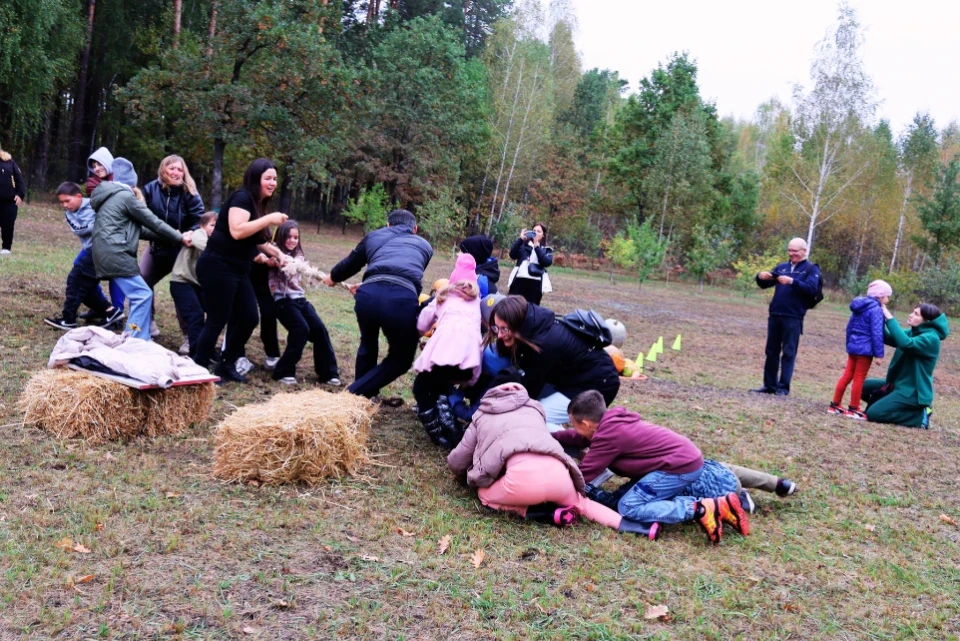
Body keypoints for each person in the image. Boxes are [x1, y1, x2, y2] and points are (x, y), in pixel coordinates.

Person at [447, 380, 658, 538]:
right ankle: (638, 528)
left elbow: (459, 459)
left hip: (520, 480)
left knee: (485, 495)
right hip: (559, 471)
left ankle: (548, 514)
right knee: (582, 504)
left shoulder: (482, 414)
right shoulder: (535, 408)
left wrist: (459, 472)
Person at [553, 390, 750, 544]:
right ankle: (719, 506)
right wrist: (549, 437)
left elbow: (584, 473)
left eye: (573, 424)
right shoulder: (610, 423)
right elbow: (578, 438)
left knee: (628, 507)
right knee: (624, 499)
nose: (573, 428)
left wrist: (556, 489)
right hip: (683, 460)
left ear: (586, 423)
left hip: (677, 468)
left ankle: (701, 508)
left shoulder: (609, 436)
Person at [193, 158, 288, 381]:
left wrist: (278, 254)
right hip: (218, 265)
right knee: (217, 320)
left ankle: (226, 364)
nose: (273, 183)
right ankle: (197, 369)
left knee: (248, 318)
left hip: (237, 268)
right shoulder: (242, 198)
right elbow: (237, 231)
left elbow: (255, 238)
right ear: (256, 179)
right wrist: (269, 219)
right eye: (268, 178)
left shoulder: (256, 203)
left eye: (275, 178)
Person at [324, 209, 433, 399]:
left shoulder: (374, 236)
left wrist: (333, 277)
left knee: (368, 343)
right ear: (414, 229)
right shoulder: (425, 245)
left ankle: (360, 396)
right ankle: (355, 394)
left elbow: (352, 263)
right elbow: (407, 274)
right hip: (400, 299)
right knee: (401, 358)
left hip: (367, 297)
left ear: (388, 226)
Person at [89, 158, 191, 341]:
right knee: (142, 295)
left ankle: (142, 338)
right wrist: (180, 237)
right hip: (117, 253)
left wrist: (171, 235)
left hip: (106, 252)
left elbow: (140, 230)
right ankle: (133, 337)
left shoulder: (111, 196)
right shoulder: (126, 197)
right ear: (131, 181)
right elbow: (153, 222)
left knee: (141, 293)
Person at [488, 295, 620, 423]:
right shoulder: (535, 323)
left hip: (597, 384)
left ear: (518, 324)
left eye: (504, 329)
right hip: (572, 378)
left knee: (534, 417)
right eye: (496, 328)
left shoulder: (545, 343)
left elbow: (528, 391)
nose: (499, 335)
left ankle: (563, 445)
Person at [413, 253, 483, 448]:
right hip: (468, 359)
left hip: (444, 352)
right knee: (440, 386)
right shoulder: (477, 301)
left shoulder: (443, 296)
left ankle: (438, 435)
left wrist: (419, 333)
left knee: (420, 389)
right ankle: (453, 430)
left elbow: (423, 321)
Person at [140, 155, 206, 342]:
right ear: (163, 170)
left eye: (179, 169)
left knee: (181, 289)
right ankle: (147, 323)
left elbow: (198, 221)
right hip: (157, 246)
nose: (176, 172)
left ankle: (188, 336)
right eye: (172, 169)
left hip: (182, 250)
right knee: (142, 279)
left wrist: (187, 234)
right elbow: (143, 215)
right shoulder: (150, 189)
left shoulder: (190, 193)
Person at [267, 220, 340, 386]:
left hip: (299, 299)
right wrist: (276, 261)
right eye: (288, 237)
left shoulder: (298, 257)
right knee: (301, 329)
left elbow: (299, 266)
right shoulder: (274, 253)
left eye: (296, 237)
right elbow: (270, 260)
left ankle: (328, 373)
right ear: (280, 237)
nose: (292, 240)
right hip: (283, 301)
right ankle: (283, 371)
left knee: (320, 330)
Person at [43, 182, 124, 330]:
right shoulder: (69, 214)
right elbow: (80, 230)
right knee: (85, 287)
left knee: (75, 280)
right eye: (62, 202)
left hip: (104, 249)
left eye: (67, 201)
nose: (65, 205)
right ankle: (110, 311)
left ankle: (68, 319)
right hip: (91, 250)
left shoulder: (96, 205)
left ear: (79, 196)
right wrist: (99, 224)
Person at [861, 303, 949, 429]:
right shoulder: (914, 332)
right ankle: (886, 404)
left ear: (927, 321)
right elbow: (888, 337)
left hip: (913, 391)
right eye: (912, 312)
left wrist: (890, 318)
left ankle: (919, 417)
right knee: (862, 386)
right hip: (898, 384)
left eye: (916, 314)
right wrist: (877, 317)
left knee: (874, 414)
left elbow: (905, 344)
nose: (911, 315)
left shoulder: (931, 338)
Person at [752, 237, 821, 396]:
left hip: (793, 316)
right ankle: (769, 385)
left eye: (794, 251)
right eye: (789, 250)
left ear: (804, 251)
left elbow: (811, 289)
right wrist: (760, 277)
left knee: (789, 353)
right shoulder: (782, 267)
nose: (791, 254)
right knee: (771, 351)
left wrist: (792, 281)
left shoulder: (811, 269)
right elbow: (765, 284)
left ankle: (783, 388)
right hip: (775, 314)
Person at [828, 280, 892, 420]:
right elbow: (877, 333)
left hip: (853, 347)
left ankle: (835, 404)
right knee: (859, 378)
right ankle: (854, 408)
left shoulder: (859, 307)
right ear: (880, 296)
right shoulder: (876, 310)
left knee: (847, 375)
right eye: (887, 296)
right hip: (865, 350)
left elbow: (849, 327)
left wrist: (849, 343)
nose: (888, 299)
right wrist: (879, 354)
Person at [169, 212, 217, 357]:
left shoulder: (214, 241)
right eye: (212, 225)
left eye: (218, 226)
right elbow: (203, 245)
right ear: (203, 225)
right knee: (196, 315)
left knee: (216, 314)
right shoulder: (198, 234)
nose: (215, 229)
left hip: (197, 285)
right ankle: (196, 353)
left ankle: (207, 348)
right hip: (181, 282)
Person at [507, 223, 553, 305]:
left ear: (543, 235)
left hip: (535, 282)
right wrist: (520, 239)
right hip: (519, 279)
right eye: (534, 231)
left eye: (539, 231)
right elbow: (512, 255)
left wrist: (536, 247)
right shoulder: (524, 246)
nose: (535, 233)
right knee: (513, 305)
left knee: (531, 308)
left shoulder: (546, 249)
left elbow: (546, 262)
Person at [0, 145, 26, 255]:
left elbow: (19, 178)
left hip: (9, 201)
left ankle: (6, 248)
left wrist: (20, 194)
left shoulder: (9, 162)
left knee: (8, 224)